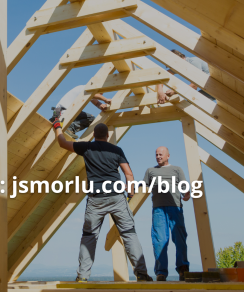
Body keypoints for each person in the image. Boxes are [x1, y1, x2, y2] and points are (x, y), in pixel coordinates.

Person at [52, 119, 154, 282]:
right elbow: (128, 173)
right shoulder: (116, 150)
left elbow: (63, 143)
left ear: (93, 135)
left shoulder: (86, 147)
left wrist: (57, 127)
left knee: (89, 236)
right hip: (116, 197)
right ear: (107, 135)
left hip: (96, 199)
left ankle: (83, 276)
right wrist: (131, 191)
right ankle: (141, 273)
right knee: (129, 233)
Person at [143, 146, 190, 281]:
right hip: (158, 209)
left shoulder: (177, 169)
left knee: (180, 239)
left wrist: (186, 193)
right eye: (156, 154)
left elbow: (184, 186)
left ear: (168, 156)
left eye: (161, 154)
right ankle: (161, 272)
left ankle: (183, 269)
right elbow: (143, 188)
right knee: (160, 241)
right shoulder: (150, 171)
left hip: (175, 208)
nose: (158, 156)